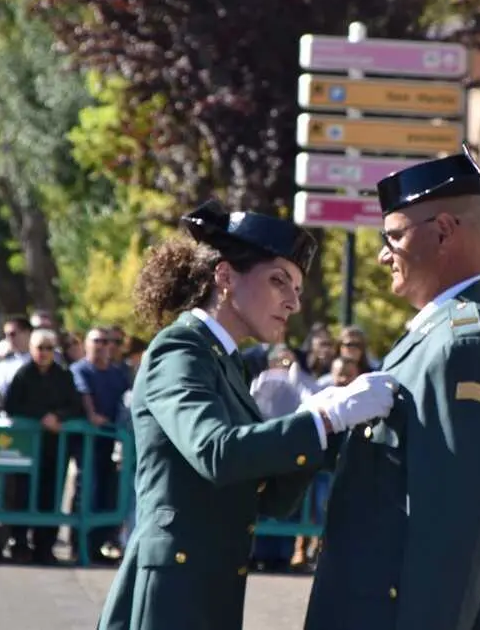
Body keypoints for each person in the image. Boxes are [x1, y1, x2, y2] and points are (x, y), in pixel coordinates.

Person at [96, 201, 395, 630]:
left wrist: (324, 426)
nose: (292, 301)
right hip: (170, 598)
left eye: (296, 288)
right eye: (279, 281)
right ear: (225, 277)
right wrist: (322, 419)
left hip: (209, 589)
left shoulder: (225, 360)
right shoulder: (180, 348)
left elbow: (268, 495)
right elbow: (215, 452)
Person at [303, 147, 480, 630]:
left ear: (442, 231)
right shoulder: (462, 328)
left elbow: (455, 531)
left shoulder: (464, 343)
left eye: (394, 237)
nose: (382, 254)